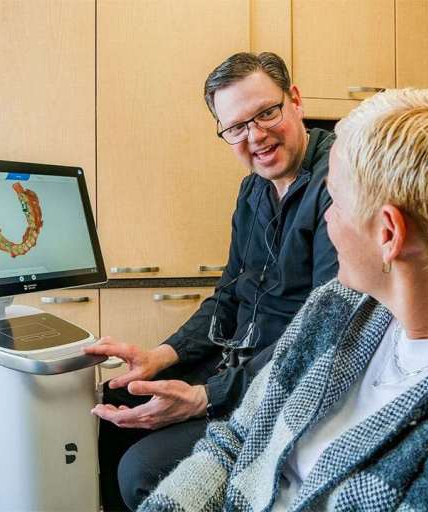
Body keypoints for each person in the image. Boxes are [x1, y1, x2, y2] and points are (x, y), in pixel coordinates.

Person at [138, 88, 428, 511]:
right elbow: (235, 440)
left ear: (387, 233)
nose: (326, 222)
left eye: (334, 201)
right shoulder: (335, 308)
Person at [85, 52, 338, 511]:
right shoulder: (253, 190)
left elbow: (325, 337)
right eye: (237, 127)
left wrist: (204, 397)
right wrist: (160, 356)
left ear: (295, 100)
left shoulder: (339, 185)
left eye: (267, 112)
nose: (256, 136)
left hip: (285, 381)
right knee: (116, 405)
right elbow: (228, 295)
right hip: (235, 361)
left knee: (142, 471)